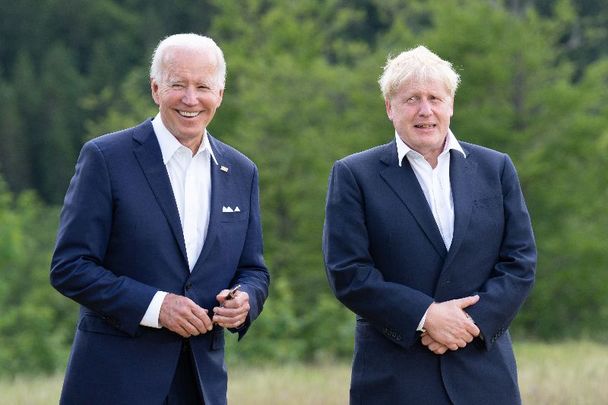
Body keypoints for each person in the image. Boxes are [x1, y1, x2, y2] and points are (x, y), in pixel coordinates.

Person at [51, 33, 270, 405]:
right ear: (155, 88)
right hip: (114, 383)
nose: (190, 99)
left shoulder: (241, 170)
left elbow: (253, 269)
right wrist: (156, 307)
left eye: (203, 86)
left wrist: (245, 299)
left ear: (219, 93)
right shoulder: (105, 158)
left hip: (202, 385)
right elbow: (70, 267)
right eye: (177, 85)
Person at [322, 45, 536, 404]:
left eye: (435, 98)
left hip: (484, 375)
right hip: (395, 378)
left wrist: (471, 323)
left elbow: (520, 261)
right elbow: (348, 272)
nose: (425, 110)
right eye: (411, 99)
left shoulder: (495, 168)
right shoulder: (354, 175)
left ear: (451, 105)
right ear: (390, 108)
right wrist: (425, 317)